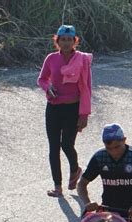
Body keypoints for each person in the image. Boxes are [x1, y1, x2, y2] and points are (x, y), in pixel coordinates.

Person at [38, 24, 93, 197]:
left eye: (70, 39)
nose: (67, 43)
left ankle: (75, 170)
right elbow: (42, 79)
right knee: (53, 147)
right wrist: (48, 88)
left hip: (73, 109)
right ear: (57, 41)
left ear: (75, 41)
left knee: (67, 144)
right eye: (63, 39)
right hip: (53, 108)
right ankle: (57, 186)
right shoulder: (51, 59)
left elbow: (86, 88)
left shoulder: (82, 60)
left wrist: (84, 114)